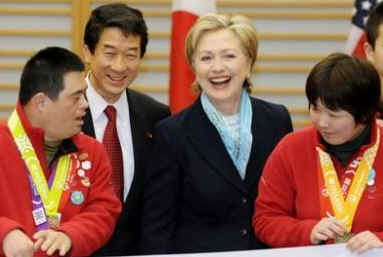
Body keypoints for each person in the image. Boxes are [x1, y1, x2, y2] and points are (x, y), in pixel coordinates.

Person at [139, 13, 293, 254]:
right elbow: (157, 227)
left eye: (229, 56)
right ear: (193, 67)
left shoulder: (277, 120)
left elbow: (290, 205)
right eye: (206, 58)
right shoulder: (172, 133)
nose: (217, 68)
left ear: (249, 62)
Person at [253, 53, 383, 254]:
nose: (322, 122)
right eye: (315, 109)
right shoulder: (291, 148)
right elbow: (265, 220)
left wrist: (380, 239)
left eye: (334, 114)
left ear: (365, 115)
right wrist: (308, 231)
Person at [0, 47, 121, 257]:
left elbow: (104, 211)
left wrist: (71, 235)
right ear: (41, 103)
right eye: (76, 97)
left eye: (84, 96)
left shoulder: (92, 151)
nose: (85, 105)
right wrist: (4, 233)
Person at [81, 3, 170, 256]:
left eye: (131, 55)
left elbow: (158, 206)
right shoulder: (61, 113)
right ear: (88, 52)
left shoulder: (156, 117)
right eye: (109, 53)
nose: (120, 67)